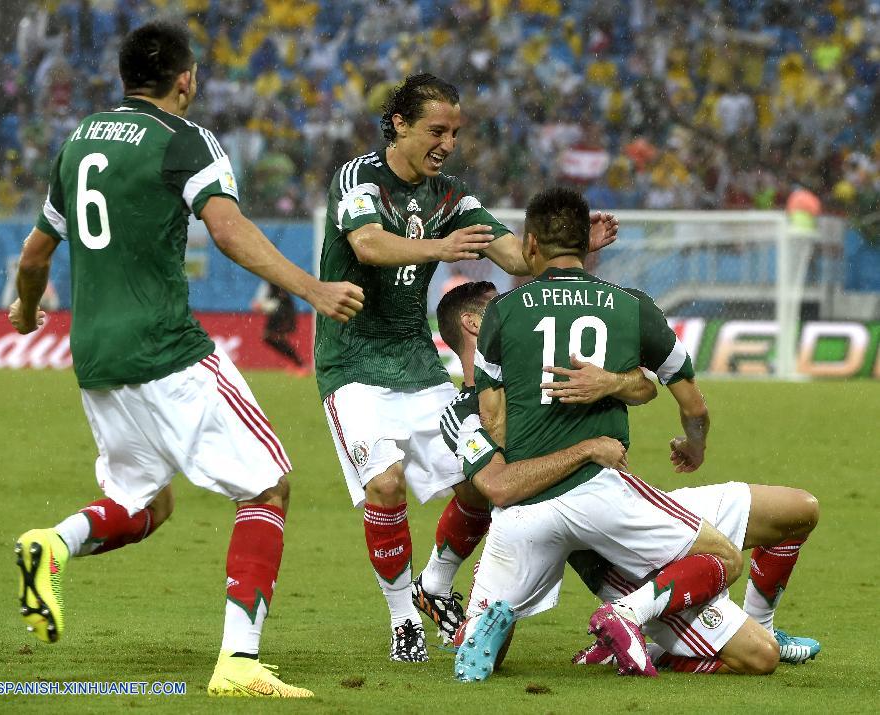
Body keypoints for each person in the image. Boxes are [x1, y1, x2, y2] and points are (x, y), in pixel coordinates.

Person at [8, 22, 363, 699]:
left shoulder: (79, 138)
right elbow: (227, 228)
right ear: (185, 79)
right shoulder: (183, 140)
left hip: (96, 354)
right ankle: (238, 659)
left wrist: (25, 312)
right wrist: (312, 287)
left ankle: (52, 543)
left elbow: (33, 256)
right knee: (267, 485)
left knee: (145, 500)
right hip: (165, 346)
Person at [314, 73, 619, 661]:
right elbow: (369, 246)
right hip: (351, 362)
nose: (448, 143)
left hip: (417, 363)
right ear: (399, 125)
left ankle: (434, 582)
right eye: (436, 130)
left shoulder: (450, 195)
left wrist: (576, 249)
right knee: (385, 483)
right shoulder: (358, 180)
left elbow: (512, 256)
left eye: (455, 132)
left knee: (484, 482)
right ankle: (404, 618)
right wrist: (440, 248)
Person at [435, 281, 820, 676]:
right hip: (565, 529)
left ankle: (742, 627)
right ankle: (631, 621)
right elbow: (499, 487)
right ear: (473, 325)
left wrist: (613, 382)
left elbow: (644, 385)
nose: (517, 311)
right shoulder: (468, 413)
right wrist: (587, 449)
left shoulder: (562, 357)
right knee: (759, 656)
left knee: (799, 510)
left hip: (621, 506)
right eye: (498, 306)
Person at [453, 186, 749, 680]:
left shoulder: (502, 313)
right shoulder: (630, 307)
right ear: (585, 244)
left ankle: (486, 621)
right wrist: (693, 444)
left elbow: (493, 417)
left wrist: (525, 460)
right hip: (601, 491)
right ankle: (630, 613)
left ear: (529, 245)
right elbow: (693, 405)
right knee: (723, 556)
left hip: (524, 507)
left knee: (485, 646)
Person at [252, 281, 305, 369]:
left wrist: (263, 305)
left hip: (282, 314)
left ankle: (299, 364)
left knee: (273, 337)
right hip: (278, 314)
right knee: (272, 337)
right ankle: (297, 363)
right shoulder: (271, 283)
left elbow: (279, 301)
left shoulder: (276, 283)